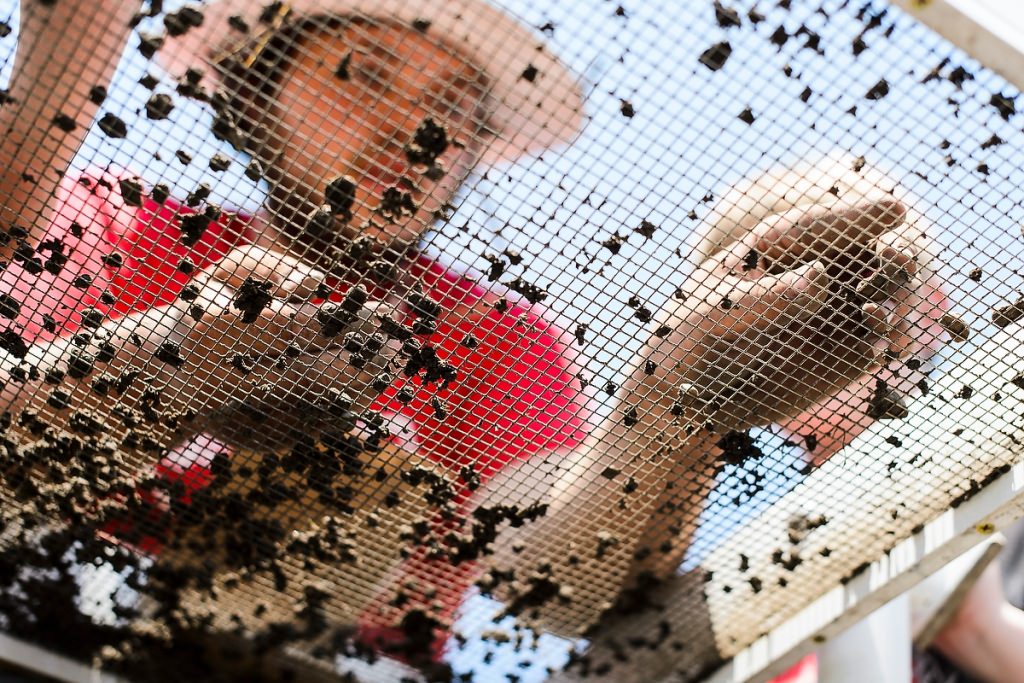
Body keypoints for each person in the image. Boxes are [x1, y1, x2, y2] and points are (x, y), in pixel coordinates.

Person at [0, 0, 946, 679]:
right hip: (40, 635)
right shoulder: (117, 228)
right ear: (255, 86)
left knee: (358, 486)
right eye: (362, 72)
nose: (414, 130)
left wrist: (671, 406)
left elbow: (553, 577)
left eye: (453, 108)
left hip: (339, 665)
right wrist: (173, 364)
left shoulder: (495, 341)